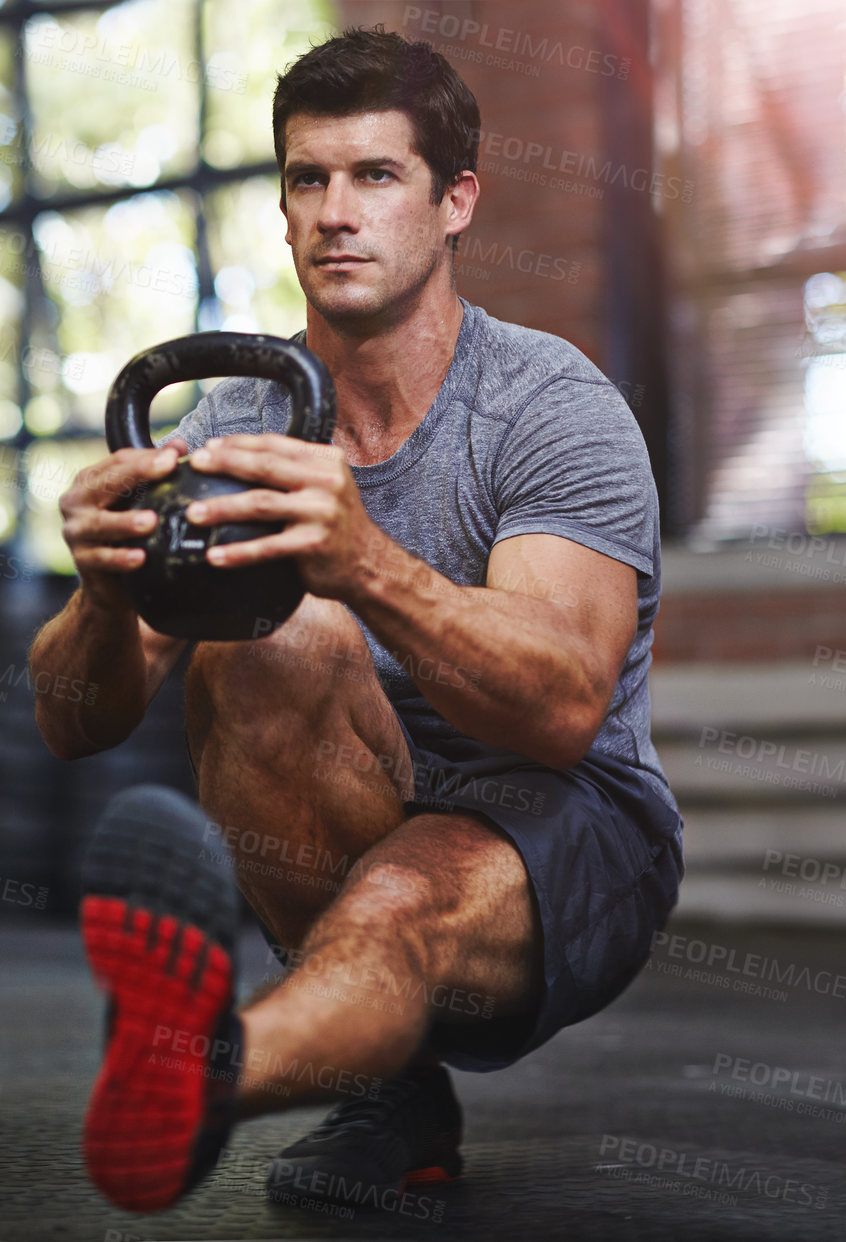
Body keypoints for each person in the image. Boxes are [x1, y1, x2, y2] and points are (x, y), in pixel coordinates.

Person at [30, 28, 682, 1214]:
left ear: (454, 203)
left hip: (573, 832)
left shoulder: (549, 405)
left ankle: (196, 1074)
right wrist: (103, 589)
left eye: (376, 176)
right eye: (307, 178)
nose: (336, 211)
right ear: (282, 208)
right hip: (360, 812)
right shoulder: (235, 421)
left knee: (397, 897)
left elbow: (561, 711)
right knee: (274, 640)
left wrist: (366, 561)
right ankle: (366, 1093)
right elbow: (75, 725)